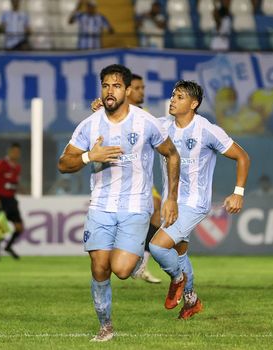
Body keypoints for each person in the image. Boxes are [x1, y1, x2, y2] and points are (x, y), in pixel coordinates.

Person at [58, 64, 180, 341]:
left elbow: (172, 154)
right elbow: (64, 163)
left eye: (115, 85)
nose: (110, 90)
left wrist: (171, 197)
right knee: (99, 267)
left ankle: (135, 259)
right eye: (105, 85)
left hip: (136, 206)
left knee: (122, 270)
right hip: (100, 206)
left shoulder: (146, 122)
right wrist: (90, 156)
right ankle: (106, 327)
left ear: (126, 90)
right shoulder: (89, 125)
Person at [149, 80, 250, 320]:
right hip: (171, 203)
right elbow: (134, 120)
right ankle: (192, 301)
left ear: (194, 104)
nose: (173, 100)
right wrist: (104, 109)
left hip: (194, 203)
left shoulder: (207, 130)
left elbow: (243, 157)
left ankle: (178, 279)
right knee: (180, 253)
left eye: (180, 97)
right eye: (173, 95)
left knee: (157, 246)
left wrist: (238, 192)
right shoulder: (162, 127)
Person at [91, 73, 162, 283]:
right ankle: (131, 258)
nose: (141, 92)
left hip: (139, 178)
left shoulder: (145, 115)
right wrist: (98, 111)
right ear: (127, 90)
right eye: (138, 88)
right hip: (113, 179)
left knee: (156, 211)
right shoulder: (107, 113)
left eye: (143, 88)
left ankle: (140, 262)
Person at [0, 143, 24, 261]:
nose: (17, 154)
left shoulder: (17, 167)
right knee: (0, 226)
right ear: (10, 152)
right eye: (15, 152)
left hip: (11, 200)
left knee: (19, 228)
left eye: (18, 152)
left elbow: (13, 184)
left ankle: (8, 247)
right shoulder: (0, 164)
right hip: (0, 199)